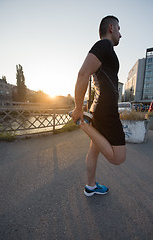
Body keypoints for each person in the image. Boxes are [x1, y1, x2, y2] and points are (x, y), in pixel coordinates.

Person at [71, 15, 126, 196]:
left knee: (94, 151)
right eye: (119, 28)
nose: (120, 34)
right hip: (105, 111)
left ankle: (90, 186)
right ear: (111, 28)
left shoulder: (106, 48)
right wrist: (78, 108)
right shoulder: (104, 45)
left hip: (100, 107)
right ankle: (82, 123)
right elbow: (82, 74)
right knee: (118, 158)